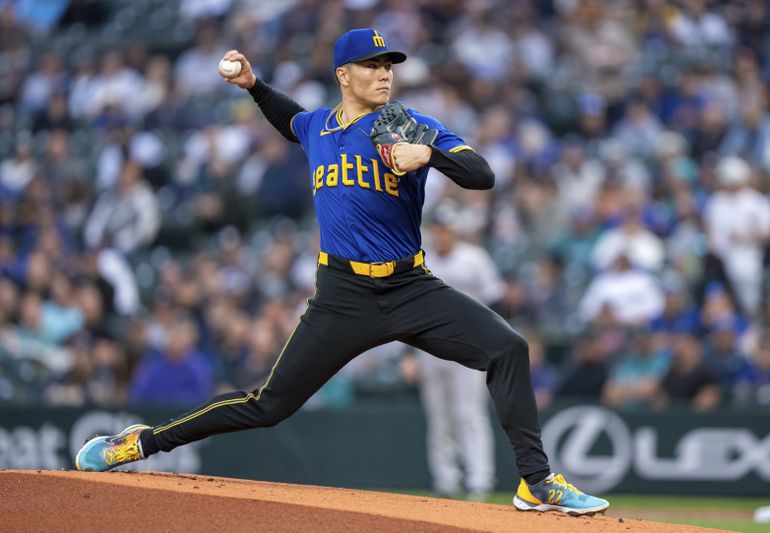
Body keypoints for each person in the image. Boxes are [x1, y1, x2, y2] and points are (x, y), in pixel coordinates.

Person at [75, 28, 608, 516]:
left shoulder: (411, 126)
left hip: (411, 286)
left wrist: (427, 155)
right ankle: (141, 442)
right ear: (343, 75)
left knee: (507, 348)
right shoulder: (316, 127)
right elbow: (289, 118)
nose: (384, 73)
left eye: (389, 65)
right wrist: (254, 84)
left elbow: (483, 175)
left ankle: (535, 481)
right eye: (372, 64)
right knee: (268, 405)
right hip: (343, 295)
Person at [411, 203, 503, 500]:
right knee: (438, 419)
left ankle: (480, 479)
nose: (443, 234)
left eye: (447, 228)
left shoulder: (474, 259)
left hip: (469, 347)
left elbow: (496, 302)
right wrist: (408, 355)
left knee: (469, 414)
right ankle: (445, 480)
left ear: (456, 230)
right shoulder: (421, 261)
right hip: (430, 348)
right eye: (438, 229)